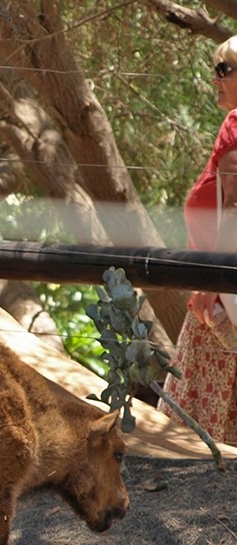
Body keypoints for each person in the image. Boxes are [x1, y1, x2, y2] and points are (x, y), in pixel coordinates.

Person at [159, 36, 237, 445]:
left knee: (188, 424)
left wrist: (211, 282)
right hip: (220, 289)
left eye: (224, 70)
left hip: (220, 293)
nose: (215, 79)